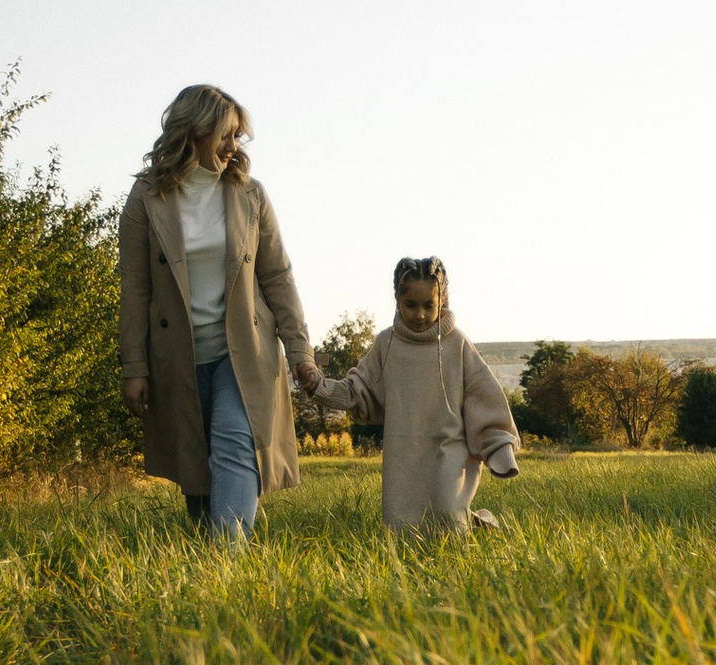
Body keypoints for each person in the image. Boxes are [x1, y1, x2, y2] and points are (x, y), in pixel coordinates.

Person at [117, 85, 323, 539]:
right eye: (225, 136)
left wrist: (299, 352)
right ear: (195, 131)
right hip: (178, 353)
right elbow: (134, 287)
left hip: (243, 350)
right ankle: (210, 548)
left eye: (238, 137)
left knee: (233, 443)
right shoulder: (146, 198)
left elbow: (278, 277)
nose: (234, 147)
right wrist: (134, 365)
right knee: (196, 462)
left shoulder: (251, 195)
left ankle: (227, 557)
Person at [312, 257, 521, 531]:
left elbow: (483, 394)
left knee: (448, 515)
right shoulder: (386, 344)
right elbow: (358, 388)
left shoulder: (457, 343)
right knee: (404, 526)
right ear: (397, 301)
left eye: (428, 305)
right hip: (403, 451)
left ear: (442, 300)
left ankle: (471, 524)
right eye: (411, 305)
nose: (420, 314)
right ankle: (474, 523)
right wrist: (318, 386)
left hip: (450, 447)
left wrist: (498, 446)